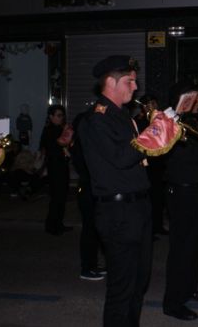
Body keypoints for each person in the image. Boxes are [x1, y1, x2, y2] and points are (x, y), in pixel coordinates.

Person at [77, 55, 152, 327]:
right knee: (122, 288)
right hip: (117, 211)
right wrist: (151, 136)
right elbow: (120, 157)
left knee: (138, 282)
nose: (135, 87)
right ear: (110, 82)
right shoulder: (97, 119)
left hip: (138, 207)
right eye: (130, 81)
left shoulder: (122, 116)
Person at [162, 81, 198, 321]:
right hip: (182, 191)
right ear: (186, 99)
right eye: (197, 98)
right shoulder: (172, 123)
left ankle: (189, 288)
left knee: (195, 245)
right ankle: (173, 302)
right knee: (181, 249)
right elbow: (182, 155)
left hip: (197, 189)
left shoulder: (192, 122)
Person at [70, 111, 106, 281]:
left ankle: (92, 263)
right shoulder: (80, 144)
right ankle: (87, 267)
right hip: (87, 189)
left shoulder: (85, 143)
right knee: (89, 229)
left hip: (93, 188)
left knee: (95, 229)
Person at [134, 93, 168, 238]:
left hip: (160, 163)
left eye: (154, 103)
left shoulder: (161, 119)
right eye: (149, 104)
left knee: (159, 197)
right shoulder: (139, 120)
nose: (152, 106)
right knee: (147, 200)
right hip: (146, 165)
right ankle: (148, 230)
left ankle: (158, 225)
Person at [40, 104, 73, 236]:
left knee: (61, 197)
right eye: (58, 115)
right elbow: (58, 144)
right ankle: (53, 225)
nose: (61, 118)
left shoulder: (57, 129)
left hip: (61, 166)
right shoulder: (50, 130)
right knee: (57, 197)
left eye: (62, 115)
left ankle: (57, 223)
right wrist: (66, 132)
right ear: (51, 116)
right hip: (55, 167)